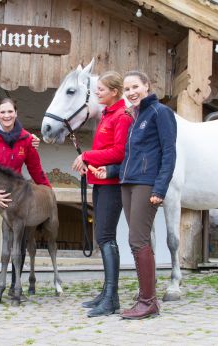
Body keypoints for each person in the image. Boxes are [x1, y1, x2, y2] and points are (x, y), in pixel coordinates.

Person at [97, 70, 177, 319]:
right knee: (136, 240)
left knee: (138, 240)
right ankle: (146, 297)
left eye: (136, 87)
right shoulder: (135, 115)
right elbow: (130, 157)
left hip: (145, 183)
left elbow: (169, 153)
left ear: (147, 86)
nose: (131, 92)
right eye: (128, 89)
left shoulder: (159, 112)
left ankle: (148, 302)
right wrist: (109, 170)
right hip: (127, 182)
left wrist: (160, 188)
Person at [0, 98, 51, 302]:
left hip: (16, 197)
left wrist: (48, 191)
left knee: (19, 241)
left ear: (16, 113)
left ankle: (16, 287)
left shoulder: (25, 139)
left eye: (10, 112)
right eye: (2, 112)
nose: (6, 116)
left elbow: (35, 169)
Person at [71, 71, 132, 317]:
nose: (97, 93)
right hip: (101, 181)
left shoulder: (122, 116)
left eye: (102, 90)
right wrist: (90, 164)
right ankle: (107, 293)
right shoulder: (108, 114)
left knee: (106, 237)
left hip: (113, 184)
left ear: (114, 92)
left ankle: (112, 298)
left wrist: (86, 156)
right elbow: (105, 151)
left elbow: (118, 152)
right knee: (102, 237)